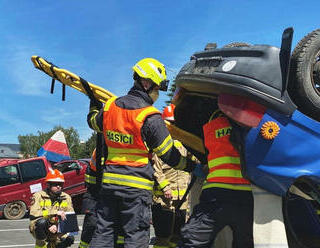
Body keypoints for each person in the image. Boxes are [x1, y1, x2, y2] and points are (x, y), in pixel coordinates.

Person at [87, 58, 198, 248]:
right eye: (156, 89)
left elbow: (93, 123)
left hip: (110, 185)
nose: (157, 94)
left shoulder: (111, 106)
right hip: (135, 190)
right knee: (135, 237)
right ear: (146, 84)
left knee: (104, 233)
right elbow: (168, 154)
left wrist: (94, 105)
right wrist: (191, 166)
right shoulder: (150, 116)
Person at [180, 109, 254, 248]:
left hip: (215, 194)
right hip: (247, 195)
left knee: (192, 241)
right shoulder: (255, 122)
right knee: (246, 243)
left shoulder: (211, 124)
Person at [152, 104, 191, 248]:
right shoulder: (160, 143)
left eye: (175, 123)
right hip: (164, 199)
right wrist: (165, 187)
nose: (173, 126)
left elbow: (193, 162)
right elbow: (155, 169)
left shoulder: (185, 143)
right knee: (163, 237)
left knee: (178, 237)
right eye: (170, 123)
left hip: (183, 198)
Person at [79, 149, 124, 248]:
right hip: (95, 193)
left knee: (119, 224)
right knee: (92, 223)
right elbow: (96, 169)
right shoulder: (100, 150)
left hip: (114, 193)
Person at [29, 169, 75, 248]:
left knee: (70, 238)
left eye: (60, 184)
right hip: (43, 226)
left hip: (58, 226)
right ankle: (40, 246)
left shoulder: (66, 197)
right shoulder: (39, 196)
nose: (58, 186)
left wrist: (57, 227)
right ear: (48, 185)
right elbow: (34, 214)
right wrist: (54, 213)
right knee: (41, 224)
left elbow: (70, 218)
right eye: (55, 184)